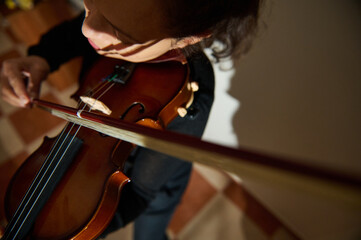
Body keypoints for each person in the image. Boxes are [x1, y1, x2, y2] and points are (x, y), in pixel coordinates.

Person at [0, 0, 262, 239]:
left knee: (152, 224)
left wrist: (75, 228)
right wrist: (41, 57)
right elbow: (72, 34)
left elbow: (140, 194)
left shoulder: (191, 96)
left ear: (188, 37)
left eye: (119, 32)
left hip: (160, 172)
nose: (87, 29)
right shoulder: (104, 25)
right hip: (103, 149)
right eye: (90, 4)